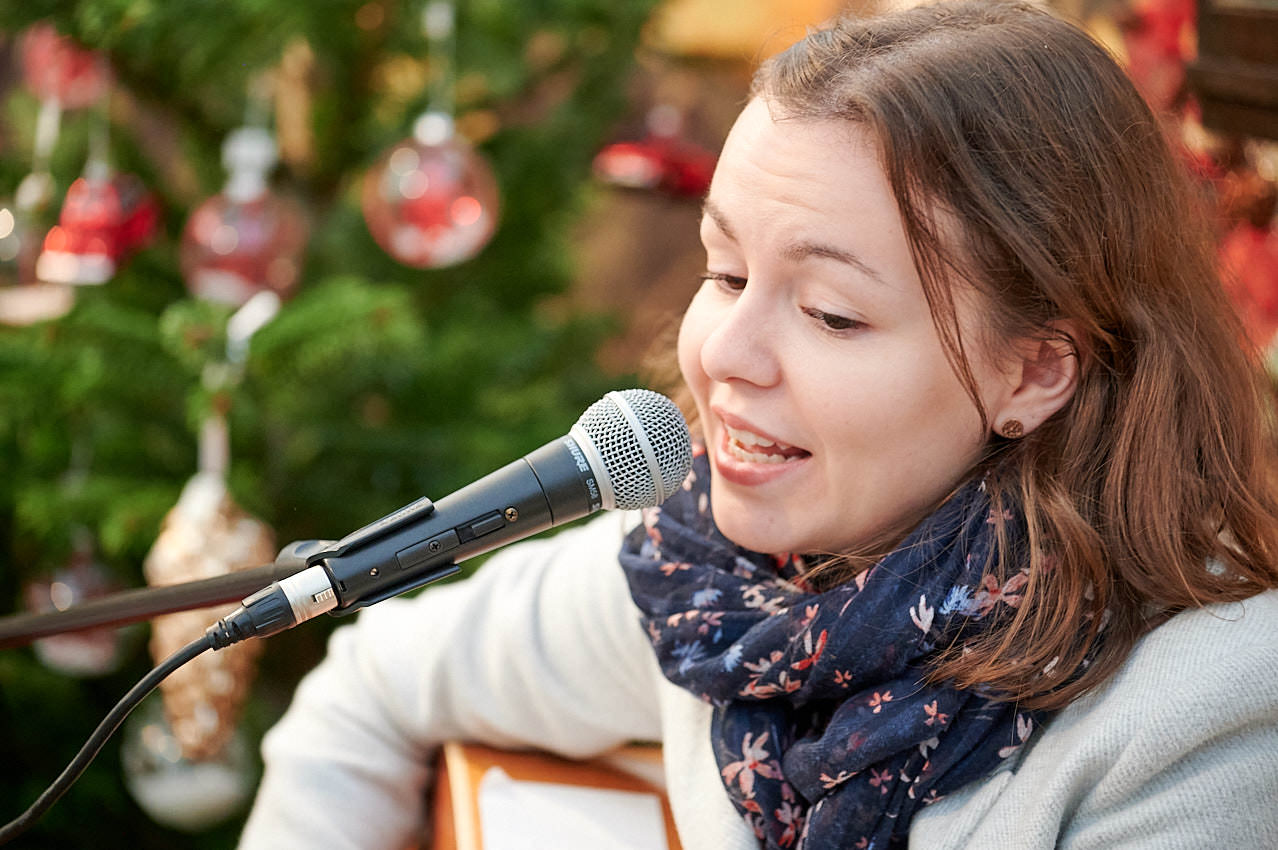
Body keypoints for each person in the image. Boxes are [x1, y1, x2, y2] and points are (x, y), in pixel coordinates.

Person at [238, 1, 1278, 847]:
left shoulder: (1210, 714)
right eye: (724, 271)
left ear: (1037, 369)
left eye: (831, 312)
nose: (723, 353)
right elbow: (370, 687)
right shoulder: (713, 593)